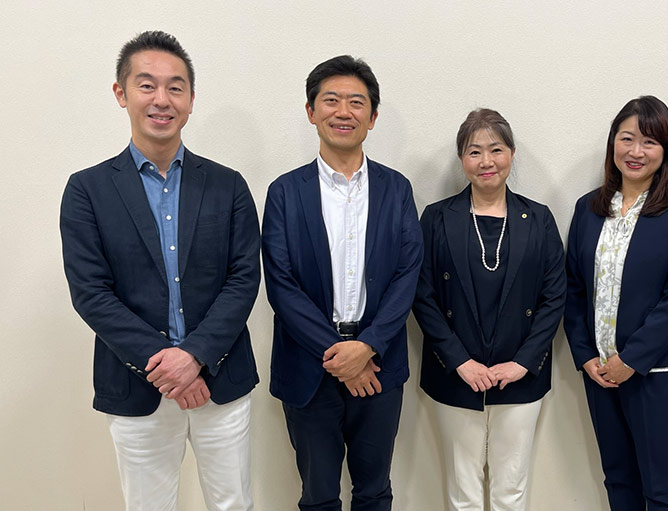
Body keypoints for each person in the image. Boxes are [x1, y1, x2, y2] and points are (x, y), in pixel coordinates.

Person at [60, 31, 260, 511]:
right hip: (136, 385)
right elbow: (91, 293)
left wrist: (195, 356)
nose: (162, 99)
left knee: (234, 504)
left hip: (221, 380)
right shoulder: (87, 190)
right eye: (146, 85)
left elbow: (243, 279)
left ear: (190, 99)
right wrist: (167, 365)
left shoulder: (228, 185)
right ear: (121, 93)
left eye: (175, 87)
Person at [261, 55, 423, 511]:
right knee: (318, 496)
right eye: (331, 100)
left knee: (375, 492)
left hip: (379, 364)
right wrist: (339, 355)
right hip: (308, 366)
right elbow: (281, 285)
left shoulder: (396, 189)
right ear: (311, 111)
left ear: (372, 117)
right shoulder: (284, 192)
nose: (343, 111)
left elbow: (407, 274)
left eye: (356, 102)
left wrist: (367, 347)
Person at [413, 109, 565, 511]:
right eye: (474, 151)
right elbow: (422, 296)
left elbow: (555, 297)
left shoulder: (539, 219)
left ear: (511, 154)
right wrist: (459, 361)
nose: (486, 161)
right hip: (455, 373)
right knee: (462, 490)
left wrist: (523, 363)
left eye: (496, 149)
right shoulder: (437, 218)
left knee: (510, 490)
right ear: (461, 158)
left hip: (520, 375)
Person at [564, 96, 668, 510]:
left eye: (649, 141)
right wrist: (585, 357)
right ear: (613, 143)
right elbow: (574, 289)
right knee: (618, 481)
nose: (636, 151)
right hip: (600, 373)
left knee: (660, 489)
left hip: (656, 372)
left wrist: (631, 359)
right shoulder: (589, 208)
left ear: (667, 151)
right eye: (627, 139)